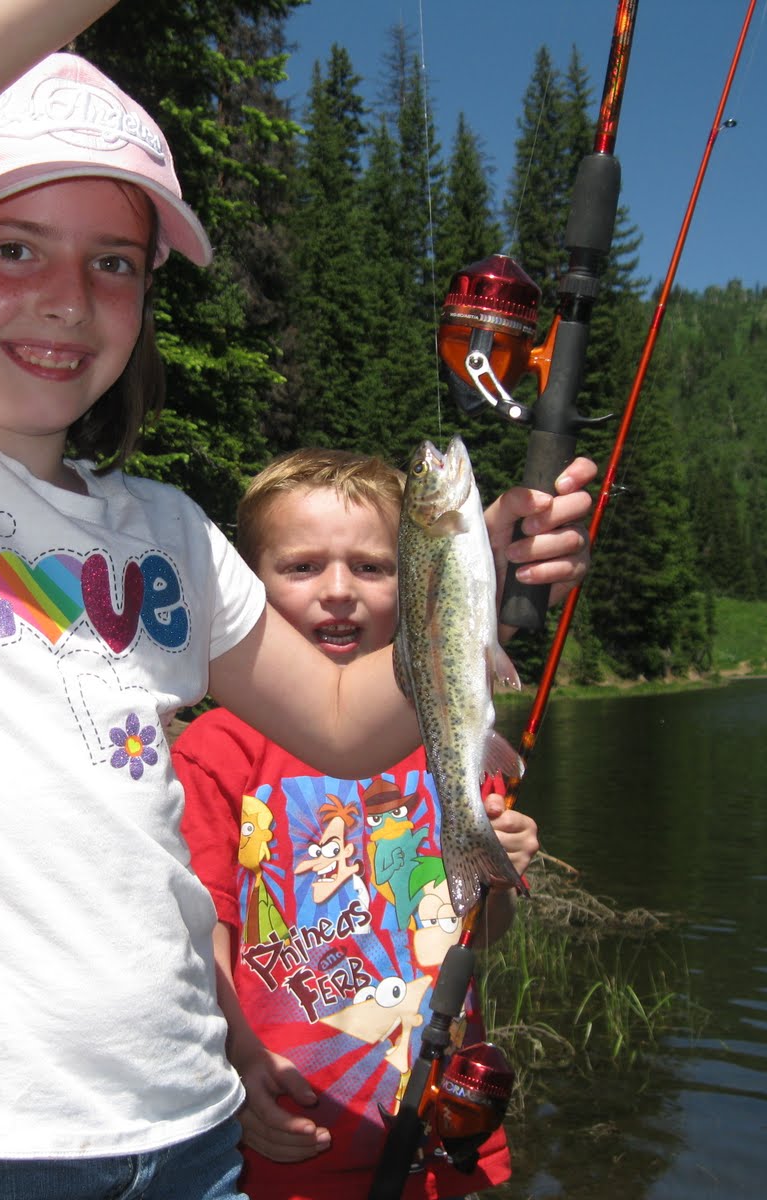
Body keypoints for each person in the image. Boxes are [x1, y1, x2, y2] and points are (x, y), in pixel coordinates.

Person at [0, 1, 595, 1196]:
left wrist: (472, 582)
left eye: (114, 263)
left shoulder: (168, 536)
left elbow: (352, 723)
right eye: (13, 248)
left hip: (192, 1126)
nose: (67, 296)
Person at [176, 449, 583, 1200]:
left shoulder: (452, 738)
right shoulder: (217, 749)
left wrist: (501, 875)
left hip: (442, 1132)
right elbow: (204, 932)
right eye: (301, 568)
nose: (338, 593)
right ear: (247, 589)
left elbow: (476, 934)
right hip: (284, 1133)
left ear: (421, 581)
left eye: (371, 568)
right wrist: (237, 1063)